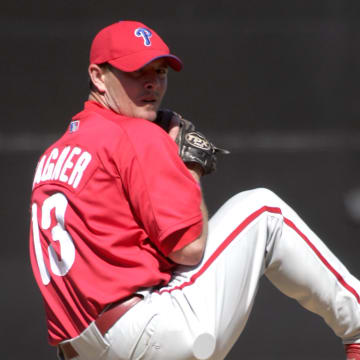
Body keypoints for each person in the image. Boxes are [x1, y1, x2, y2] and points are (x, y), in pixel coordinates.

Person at [29, 20, 360, 360]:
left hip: (79, 350)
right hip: (147, 334)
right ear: (98, 77)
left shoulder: (53, 156)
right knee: (263, 210)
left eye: (160, 71)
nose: (152, 83)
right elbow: (189, 248)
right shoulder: (135, 134)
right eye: (136, 71)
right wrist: (190, 169)